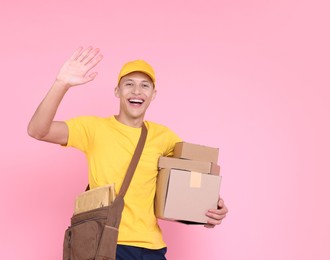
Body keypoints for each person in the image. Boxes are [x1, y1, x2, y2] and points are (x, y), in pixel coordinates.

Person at [27, 46, 228, 259]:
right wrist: (62, 84)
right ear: (117, 91)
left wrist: (209, 208)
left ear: (153, 94)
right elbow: (37, 130)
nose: (136, 91)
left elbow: (188, 181)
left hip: (152, 248)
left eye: (145, 86)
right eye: (128, 84)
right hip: (107, 243)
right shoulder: (93, 128)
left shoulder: (164, 137)